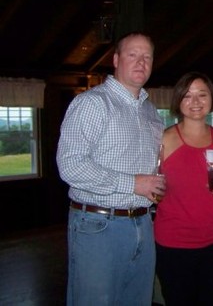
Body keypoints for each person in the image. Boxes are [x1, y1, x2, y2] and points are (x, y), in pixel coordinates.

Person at [56, 32, 166, 306]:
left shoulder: (151, 111)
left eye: (147, 56)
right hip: (98, 225)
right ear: (116, 60)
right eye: (133, 55)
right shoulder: (92, 103)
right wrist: (133, 184)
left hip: (144, 222)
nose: (141, 62)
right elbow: (70, 165)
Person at [153, 71, 213, 305]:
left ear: (212, 99)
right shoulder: (163, 140)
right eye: (188, 95)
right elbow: (150, 184)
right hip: (174, 245)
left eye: (202, 94)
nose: (195, 102)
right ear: (178, 100)